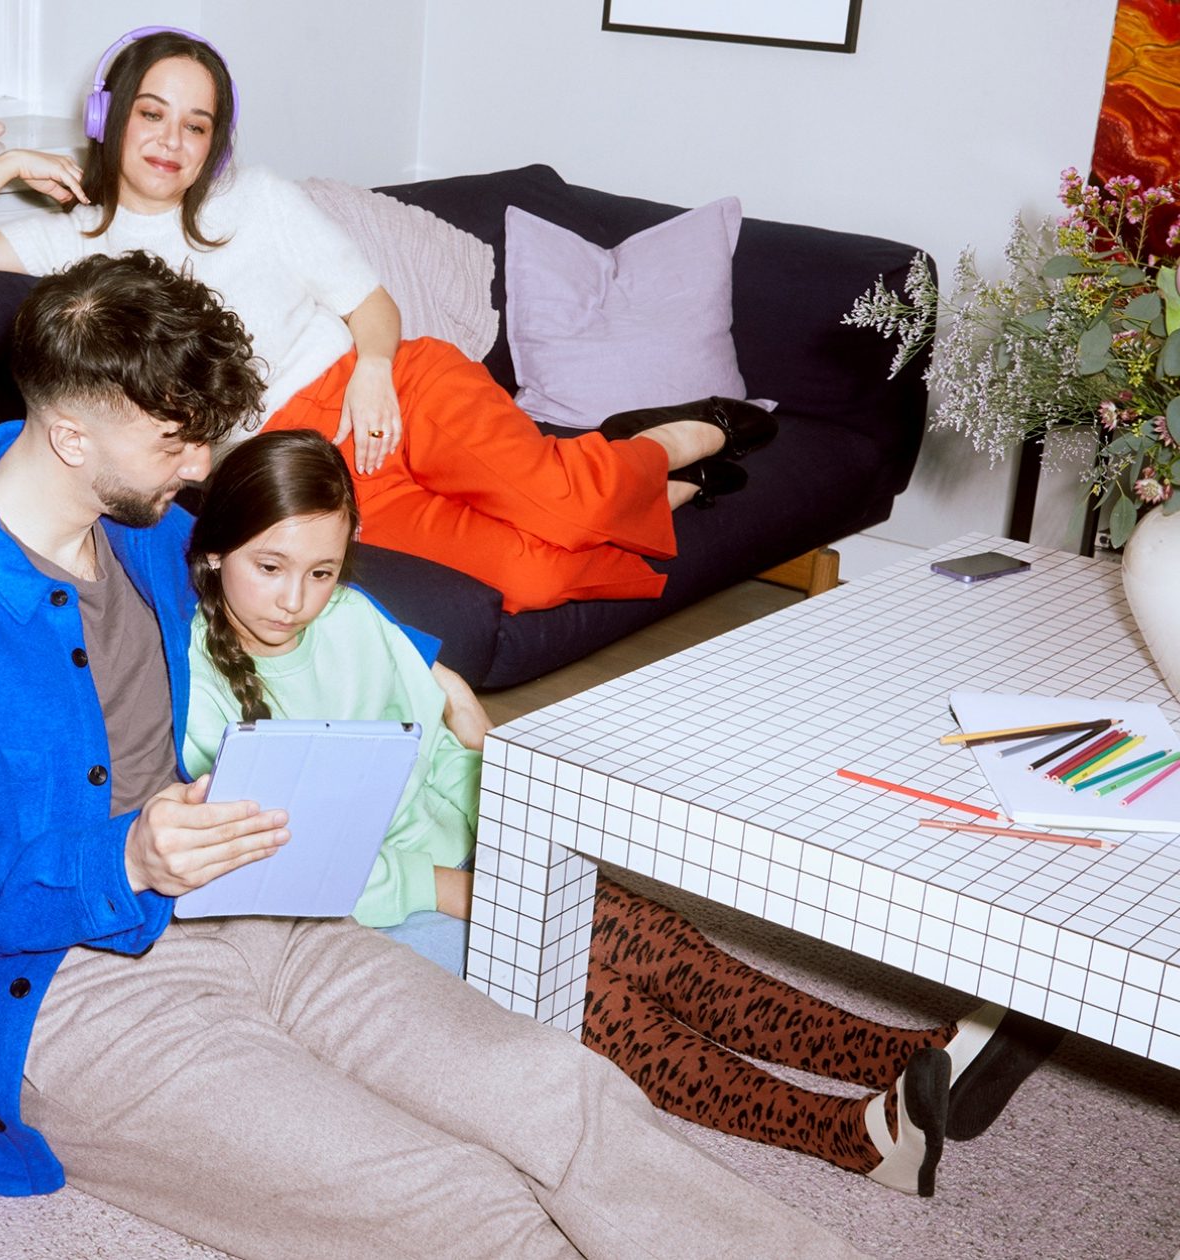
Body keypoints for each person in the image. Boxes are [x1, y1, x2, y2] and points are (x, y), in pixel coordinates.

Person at [0, 249, 863, 1258]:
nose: (203, 468)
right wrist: (126, 856)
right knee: (440, 1197)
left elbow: (279, 585)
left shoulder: (137, 527)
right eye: (179, 444)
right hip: (44, 987)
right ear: (70, 435)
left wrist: (425, 662)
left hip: (244, 907)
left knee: (559, 1093)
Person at [178, 427, 1065, 1198]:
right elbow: (276, 863)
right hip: (357, 915)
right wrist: (451, 887)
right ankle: (849, 1136)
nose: (295, 600)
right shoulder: (198, 685)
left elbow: (437, 753)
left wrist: (513, 833)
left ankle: (905, 1056)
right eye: (270, 568)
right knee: (585, 994)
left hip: (445, 855)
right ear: (215, 552)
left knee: (646, 931)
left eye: (322, 571)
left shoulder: (353, 621)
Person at [0, 26, 775, 616]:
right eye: (151, 115)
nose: (170, 141)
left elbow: (371, 306)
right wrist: (9, 164)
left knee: (563, 504)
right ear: (108, 116)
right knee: (534, 576)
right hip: (304, 473)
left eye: (195, 125)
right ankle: (667, 489)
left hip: (388, 389)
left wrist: (376, 370)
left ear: (215, 142)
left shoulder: (261, 201)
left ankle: (678, 436)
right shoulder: (75, 242)